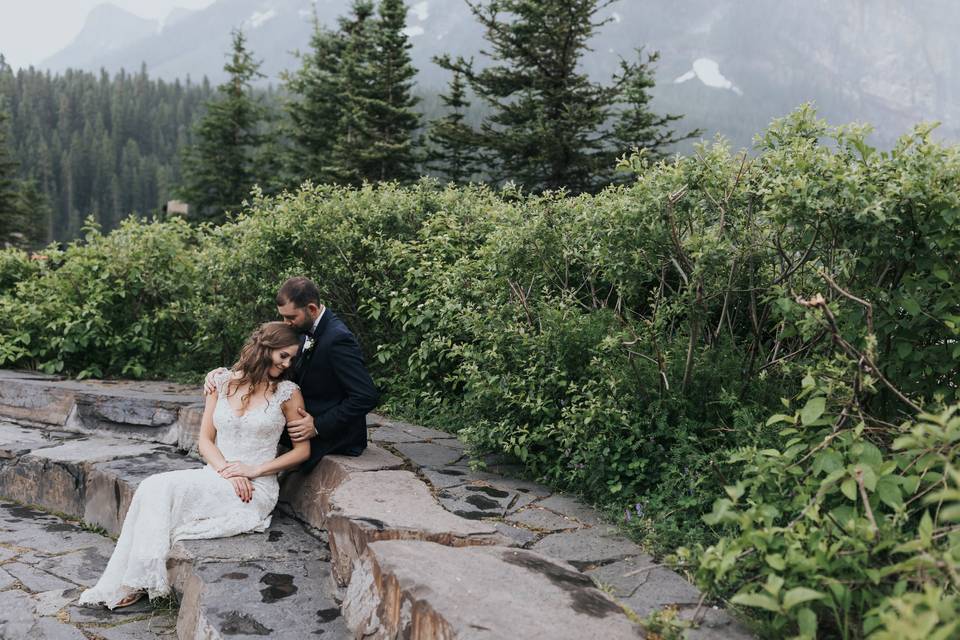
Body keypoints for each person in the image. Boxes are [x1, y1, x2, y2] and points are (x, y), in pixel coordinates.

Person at [78, 322, 310, 609]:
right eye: (283, 356)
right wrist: (227, 471)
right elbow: (205, 441)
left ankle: (136, 582)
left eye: (292, 358)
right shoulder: (221, 381)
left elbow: (302, 451)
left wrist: (254, 470)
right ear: (265, 349)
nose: (287, 363)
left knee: (161, 494)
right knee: (152, 487)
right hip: (217, 473)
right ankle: (136, 578)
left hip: (255, 487)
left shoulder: (287, 392)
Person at [205, 276, 379, 471]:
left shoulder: (338, 339)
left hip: (333, 434)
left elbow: (366, 396)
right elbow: (268, 355)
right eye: (283, 317)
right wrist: (224, 375)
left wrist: (317, 426)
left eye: (290, 317)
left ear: (312, 309)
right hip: (295, 422)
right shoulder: (302, 327)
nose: (285, 323)